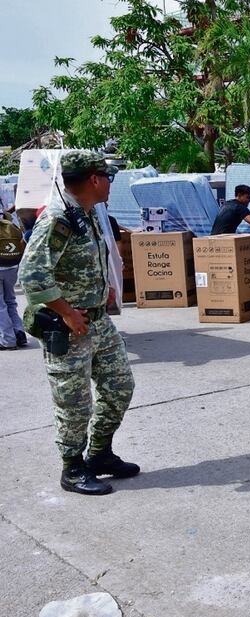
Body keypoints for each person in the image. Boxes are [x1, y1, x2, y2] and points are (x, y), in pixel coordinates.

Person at [18, 151, 138, 495]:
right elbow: (32, 275)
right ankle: (72, 468)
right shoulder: (59, 218)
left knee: (120, 388)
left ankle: (99, 454)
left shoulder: (86, 213)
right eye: (108, 177)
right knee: (74, 404)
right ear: (94, 180)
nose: (111, 184)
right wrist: (67, 312)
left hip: (99, 323)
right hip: (70, 328)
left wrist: (107, 287)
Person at [0, 210, 28, 350]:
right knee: (10, 301)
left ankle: (8, 340)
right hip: (11, 266)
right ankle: (19, 333)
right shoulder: (8, 218)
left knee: (0, 306)